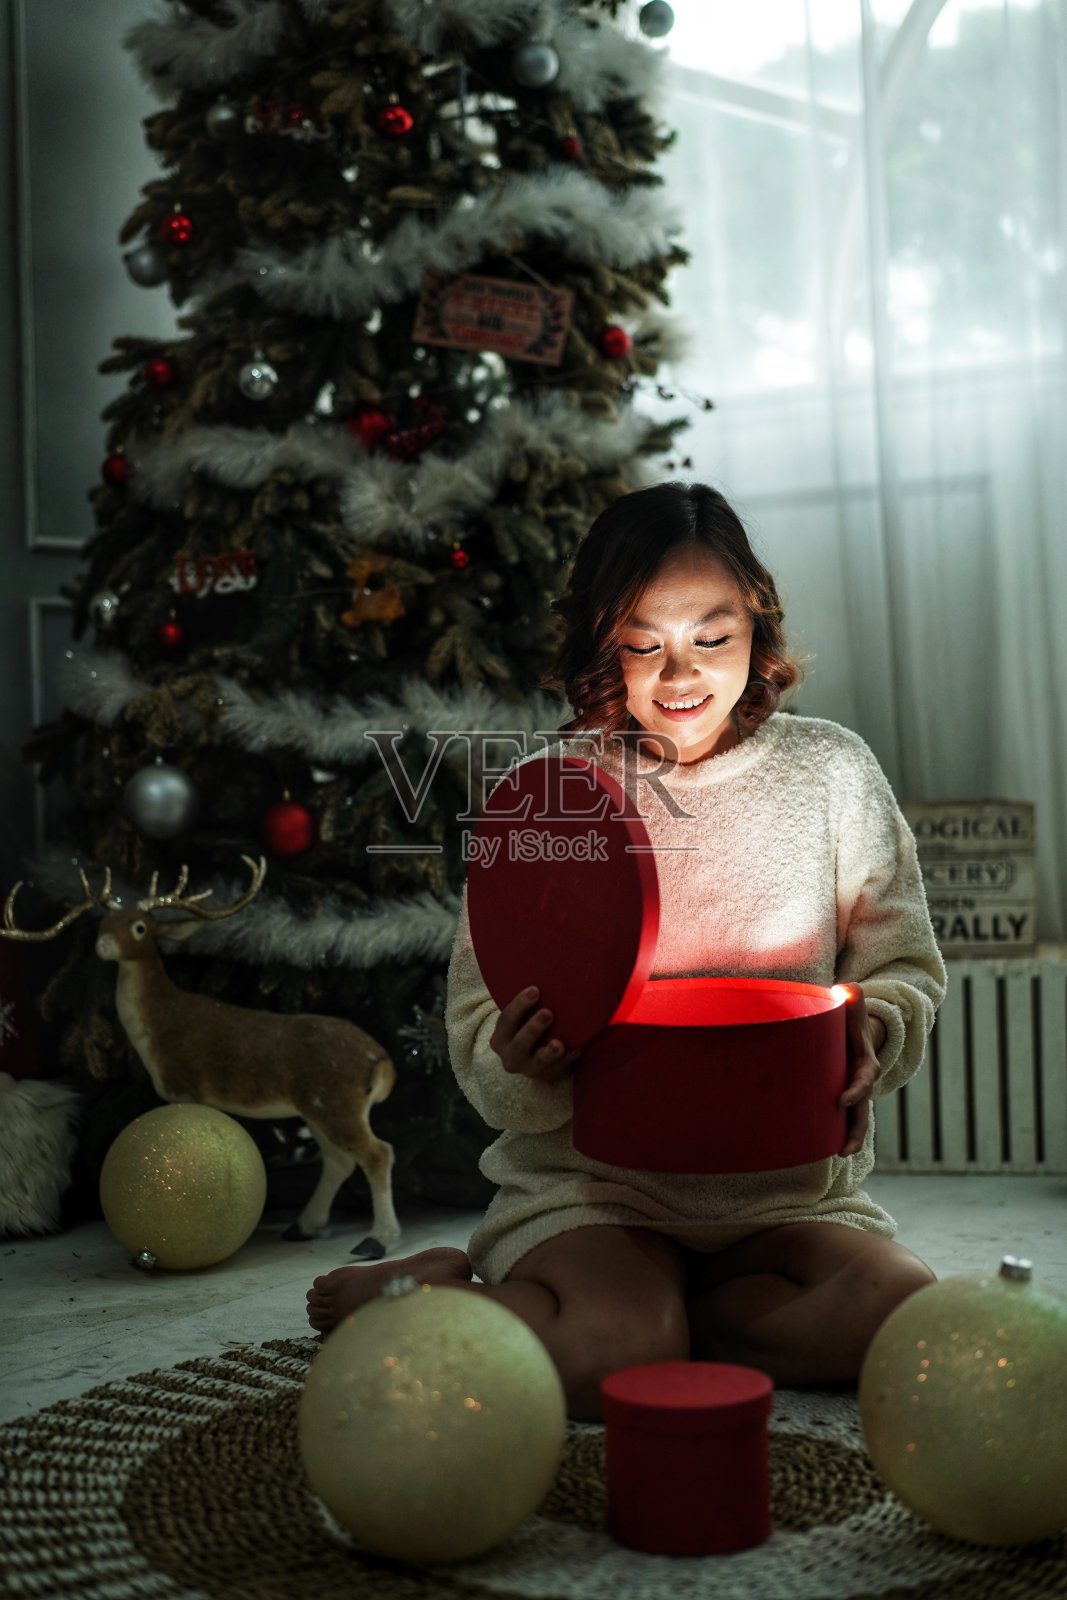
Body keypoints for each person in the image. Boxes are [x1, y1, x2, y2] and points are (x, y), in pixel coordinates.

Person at [307, 481, 947, 1421]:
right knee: (613, 1354)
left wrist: (876, 1027)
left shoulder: (833, 772)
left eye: (711, 638)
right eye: (642, 644)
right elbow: (479, 1019)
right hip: (594, 1189)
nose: (678, 674)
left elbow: (904, 969)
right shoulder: (547, 794)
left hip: (782, 1197)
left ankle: (671, 1323)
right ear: (601, 645)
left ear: (757, 626)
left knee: (899, 1312)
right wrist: (516, 1059)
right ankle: (448, 1291)